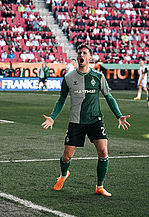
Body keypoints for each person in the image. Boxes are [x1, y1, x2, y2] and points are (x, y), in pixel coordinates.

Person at [41, 44, 130, 197]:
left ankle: (99, 186)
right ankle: (63, 175)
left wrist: (119, 115)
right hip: (76, 122)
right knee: (66, 157)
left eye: (84, 53)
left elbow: (109, 97)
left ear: (90, 58)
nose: (81, 55)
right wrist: (53, 117)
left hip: (95, 120)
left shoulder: (98, 76)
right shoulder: (68, 77)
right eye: (79, 53)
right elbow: (61, 99)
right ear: (77, 57)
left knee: (103, 152)